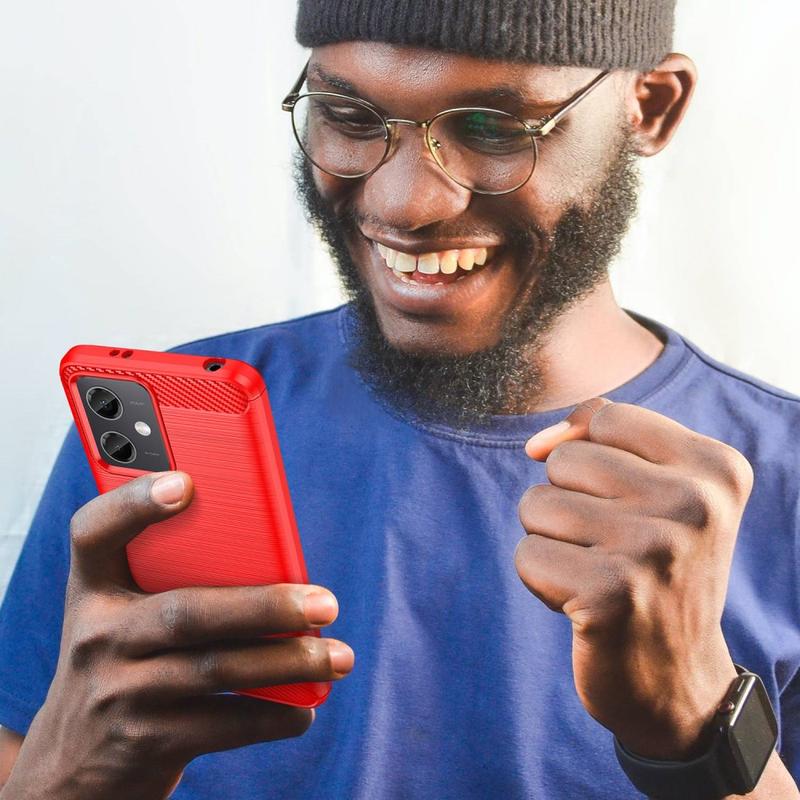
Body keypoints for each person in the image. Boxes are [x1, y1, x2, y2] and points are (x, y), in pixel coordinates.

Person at [0, 0, 798, 797]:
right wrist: (66, 774)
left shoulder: (781, 477)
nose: (405, 204)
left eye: (493, 128)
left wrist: (698, 725)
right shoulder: (165, 427)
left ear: (650, 107)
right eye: (349, 116)